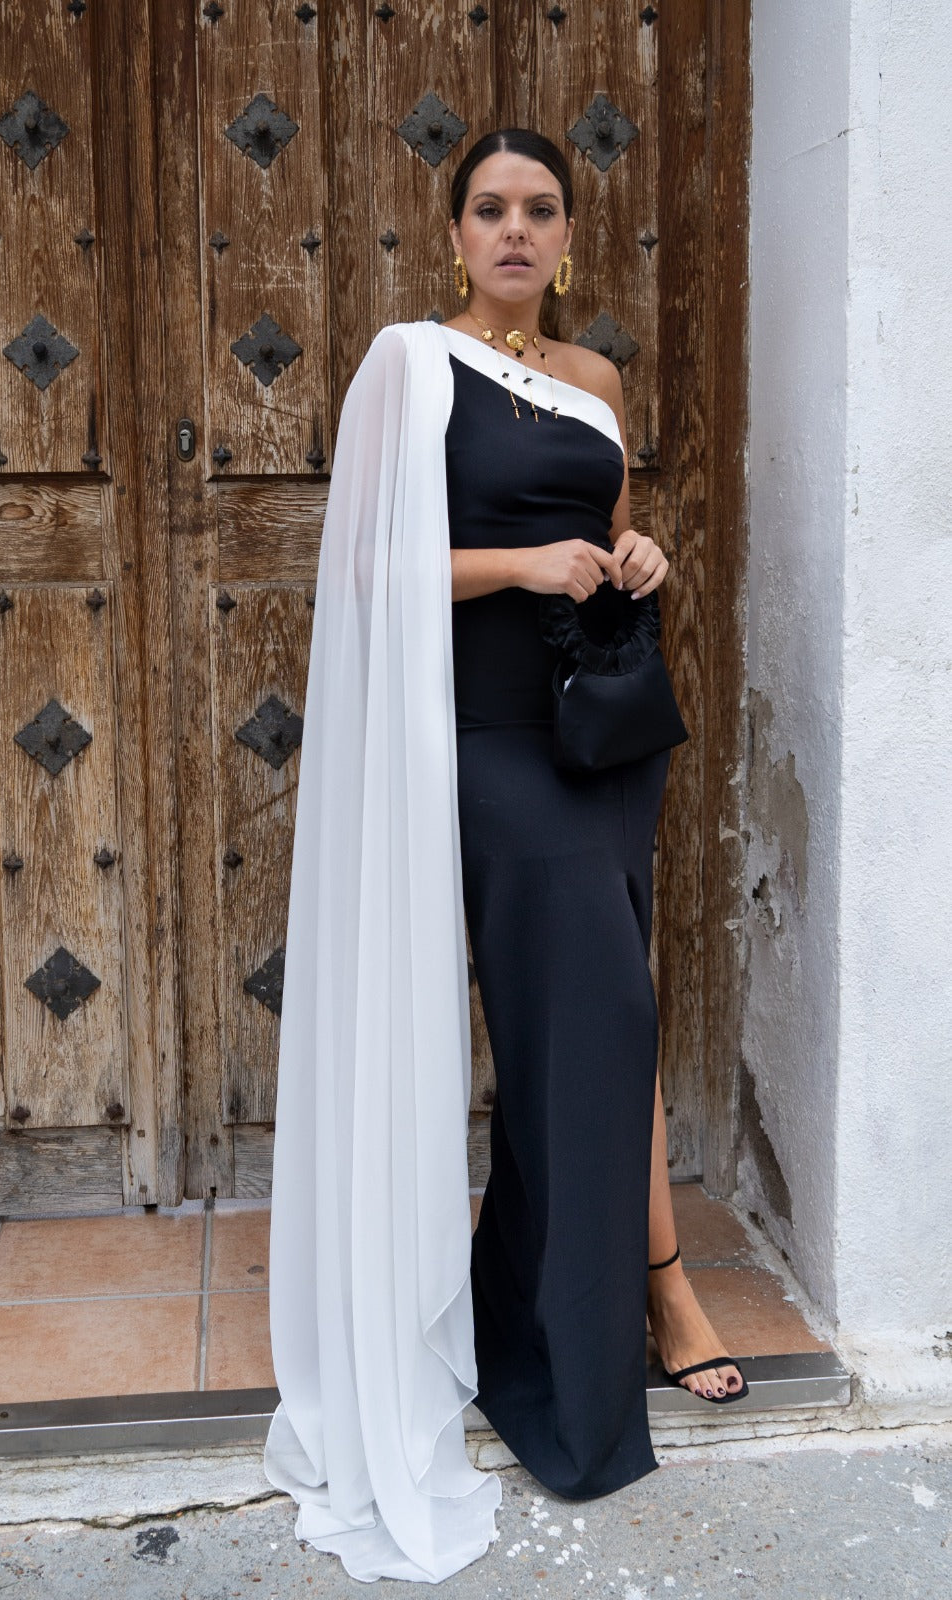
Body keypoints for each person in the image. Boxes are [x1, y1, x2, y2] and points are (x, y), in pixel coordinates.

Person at [262, 127, 746, 1586]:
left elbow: (604, 536)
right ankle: (608, 1335)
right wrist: (518, 565)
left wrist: (638, 554)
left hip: (599, 735)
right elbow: (363, 563)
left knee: (613, 1017)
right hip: (478, 741)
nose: (516, 230)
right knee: (593, 1017)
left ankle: (626, 1291)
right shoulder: (409, 365)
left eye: (541, 209)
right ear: (454, 233)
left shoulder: (595, 379)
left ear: (570, 237)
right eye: (490, 210)